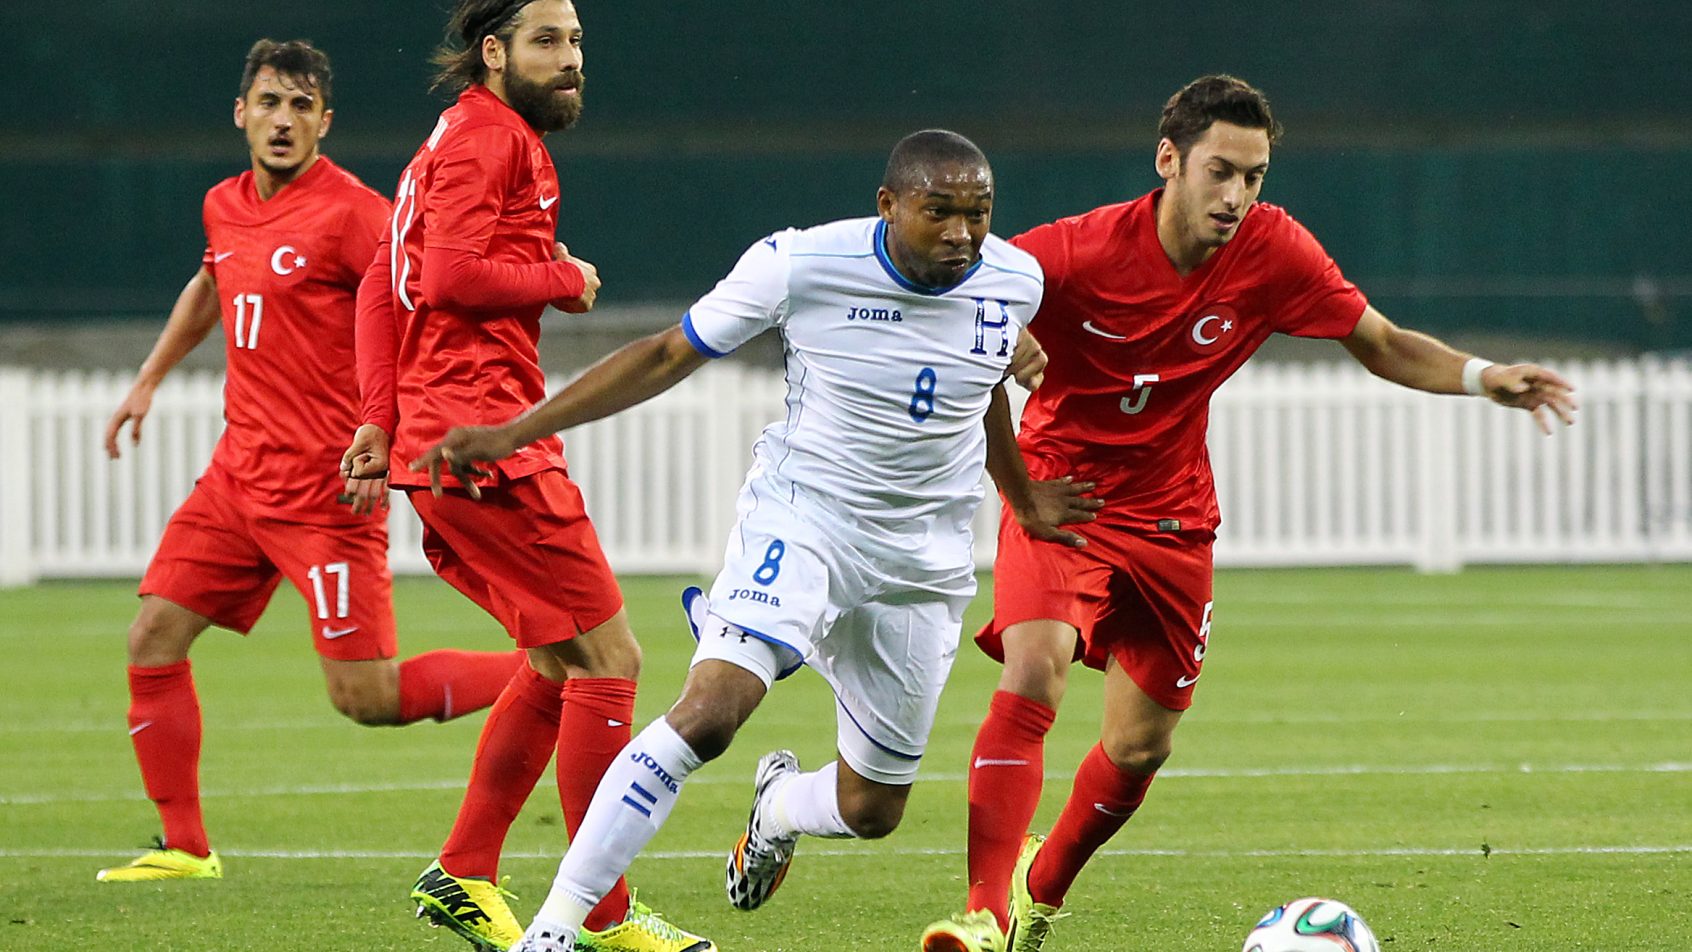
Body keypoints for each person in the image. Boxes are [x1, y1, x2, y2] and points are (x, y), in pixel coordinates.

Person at [920, 75, 1580, 952]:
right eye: (1221, 172)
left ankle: (1040, 889)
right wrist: (1004, 361)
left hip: (1171, 516)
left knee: (1140, 747)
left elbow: (1379, 342)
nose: (1236, 195)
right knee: (1036, 669)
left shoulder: (1273, 251)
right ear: (1169, 161)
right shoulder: (1071, 253)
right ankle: (983, 914)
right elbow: (954, 308)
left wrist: (1482, 376)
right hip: (1062, 495)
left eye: (1255, 176)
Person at [411, 128, 1092, 952]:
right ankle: (557, 929)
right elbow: (667, 353)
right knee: (710, 713)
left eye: (977, 214)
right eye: (938, 212)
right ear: (888, 205)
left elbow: (979, 388)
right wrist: (515, 431)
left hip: (922, 564)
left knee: (873, 809)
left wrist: (1021, 496)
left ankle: (776, 809)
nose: (961, 234)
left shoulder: (1014, 280)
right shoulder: (802, 263)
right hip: (804, 522)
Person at [94, 40, 526, 885]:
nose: (283, 120)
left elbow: (416, 307)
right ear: (241, 114)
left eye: (301, 106)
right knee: (152, 637)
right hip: (235, 480)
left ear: (325, 122)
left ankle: (543, 671)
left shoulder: (355, 215)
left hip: (326, 494)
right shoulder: (223, 204)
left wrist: (390, 434)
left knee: (366, 697)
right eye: (269, 102)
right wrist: (149, 377)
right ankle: (184, 849)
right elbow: (212, 284)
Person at [339, 2, 712, 949]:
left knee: (555, 663)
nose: (570, 58)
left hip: (449, 439)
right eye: (547, 41)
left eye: (576, 40)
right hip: (485, 445)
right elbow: (451, 278)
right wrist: (561, 275)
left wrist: (380, 417)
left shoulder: (449, 138)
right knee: (610, 662)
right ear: (493, 52)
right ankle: (605, 917)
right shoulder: (491, 140)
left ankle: (464, 872)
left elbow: (386, 282)